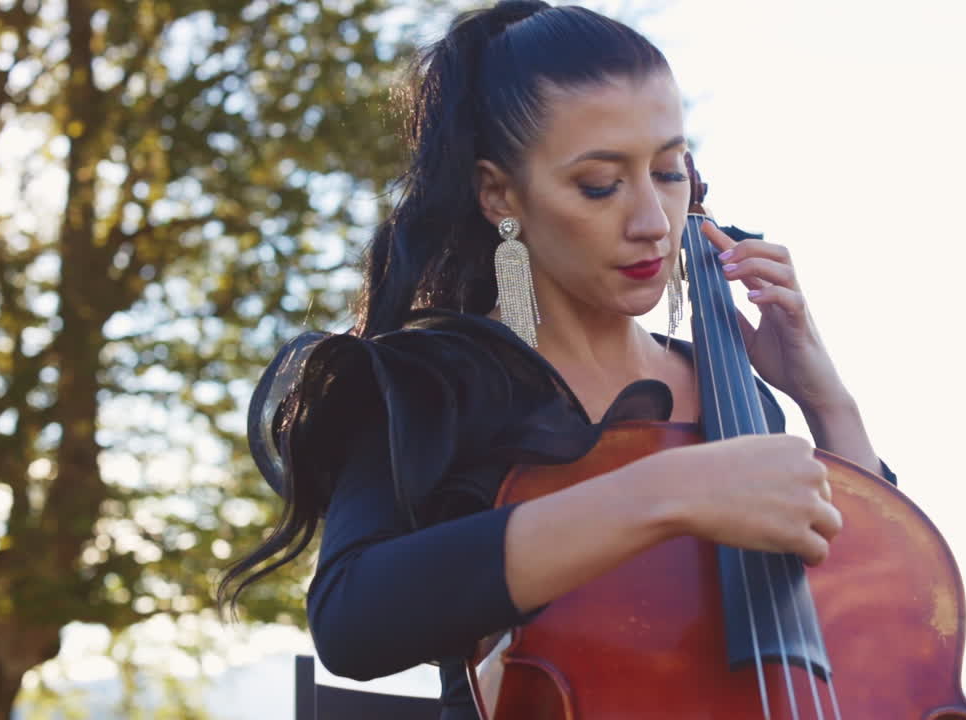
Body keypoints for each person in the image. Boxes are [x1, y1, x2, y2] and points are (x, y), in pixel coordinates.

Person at [218, 2, 896, 717]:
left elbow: (882, 608)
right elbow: (352, 620)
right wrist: (663, 492)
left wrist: (828, 404)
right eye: (600, 185)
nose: (652, 223)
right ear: (500, 194)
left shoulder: (730, 394)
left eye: (669, 173)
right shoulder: (430, 382)